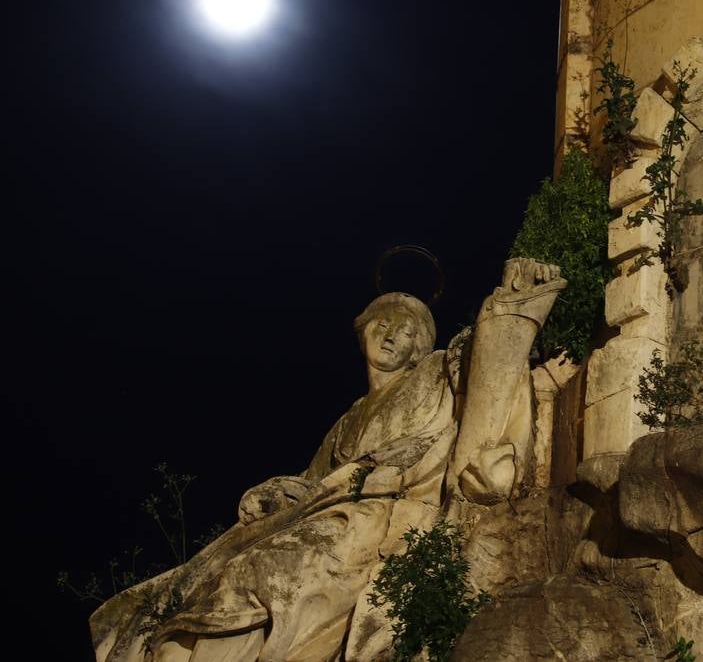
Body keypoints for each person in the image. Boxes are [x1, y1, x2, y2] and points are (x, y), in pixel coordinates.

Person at [92, 258, 565, 661]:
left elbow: (486, 370)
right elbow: (314, 481)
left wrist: (512, 304)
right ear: (361, 332)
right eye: (382, 322)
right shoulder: (348, 420)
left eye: (406, 329)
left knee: (260, 573)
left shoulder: (438, 370)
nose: (391, 332)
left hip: (386, 514)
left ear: (421, 346)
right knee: (208, 579)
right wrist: (279, 489)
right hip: (335, 512)